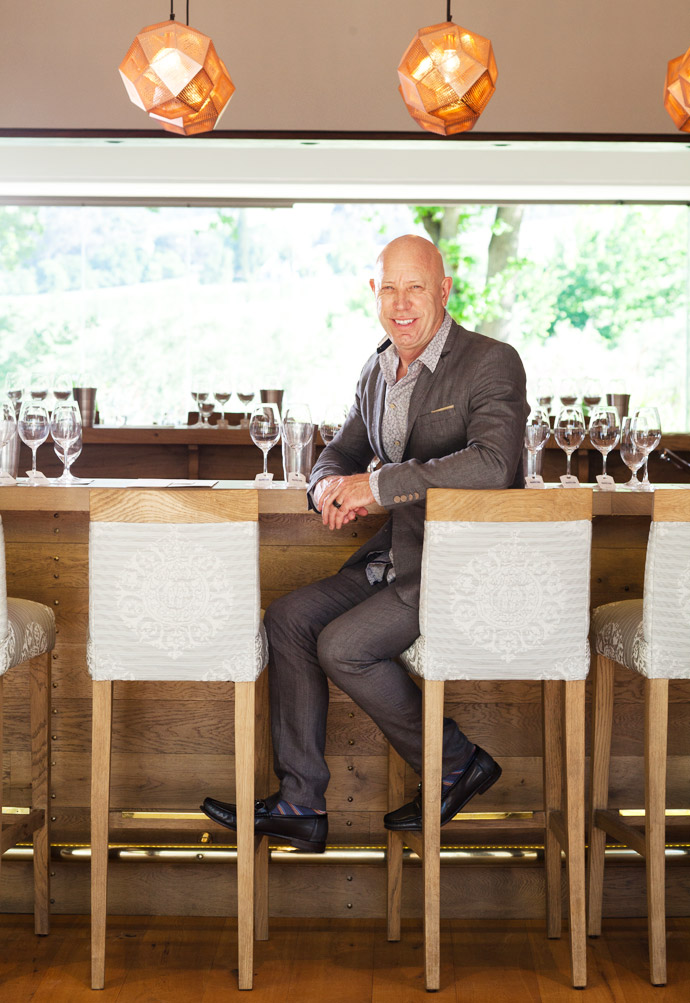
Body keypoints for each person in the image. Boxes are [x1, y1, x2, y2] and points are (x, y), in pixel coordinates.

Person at [202, 234, 529, 852]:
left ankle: (457, 762)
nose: (400, 303)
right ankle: (300, 800)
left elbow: (491, 464)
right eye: (388, 288)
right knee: (289, 619)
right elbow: (341, 453)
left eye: (415, 287)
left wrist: (378, 487)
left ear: (444, 291)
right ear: (373, 294)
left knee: (343, 646)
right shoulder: (377, 370)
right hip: (389, 560)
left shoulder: (491, 361)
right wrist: (325, 487)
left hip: (455, 568)